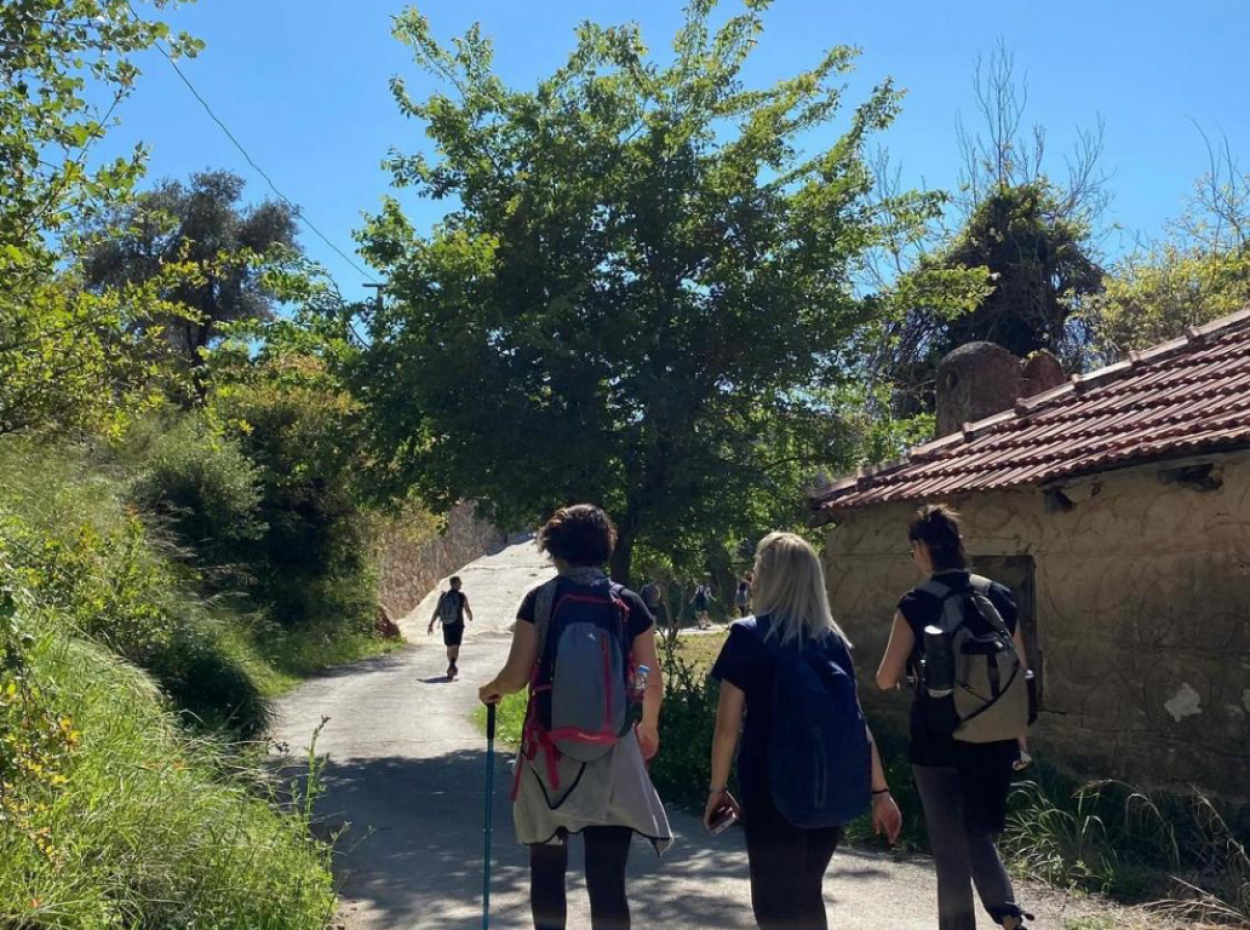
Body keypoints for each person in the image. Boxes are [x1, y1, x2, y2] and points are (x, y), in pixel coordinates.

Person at [480, 504, 671, 930]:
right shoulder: (629, 604)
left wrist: (490, 690)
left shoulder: (540, 600)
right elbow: (647, 676)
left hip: (548, 753)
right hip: (614, 746)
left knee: (547, 873)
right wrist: (647, 722)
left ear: (555, 549)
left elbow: (515, 676)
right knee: (608, 882)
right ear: (605, 548)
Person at [705, 532, 903, 930]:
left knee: (776, 906)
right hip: (831, 789)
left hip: (771, 789)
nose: (754, 575)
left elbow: (727, 728)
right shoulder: (833, 641)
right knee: (807, 893)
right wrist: (881, 792)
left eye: (759, 567)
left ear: (770, 577)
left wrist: (716, 789)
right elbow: (857, 723)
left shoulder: (748, 635)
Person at [875, 504, 1033, 930]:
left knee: (949, 851)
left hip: (937, 740)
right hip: (995, 736)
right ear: (959, 546)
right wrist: (1019, 739)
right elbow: (1019, 668)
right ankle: (1010, 917)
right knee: (978, 830)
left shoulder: (916, 602)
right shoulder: (998, 595)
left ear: (921, 549)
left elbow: (886, 677)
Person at [428, 575, 473, 680]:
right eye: (460, 582)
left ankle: (451, 664)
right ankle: (452, 664)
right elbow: (467, 609)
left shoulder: (443, 596)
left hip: (446, 625)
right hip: (458, 625)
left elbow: (437, 610)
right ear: (456, 584)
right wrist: (470, 616)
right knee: (456, 646)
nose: (461, 584)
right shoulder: (461, 596)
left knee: (449, 647)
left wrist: (431, 624)